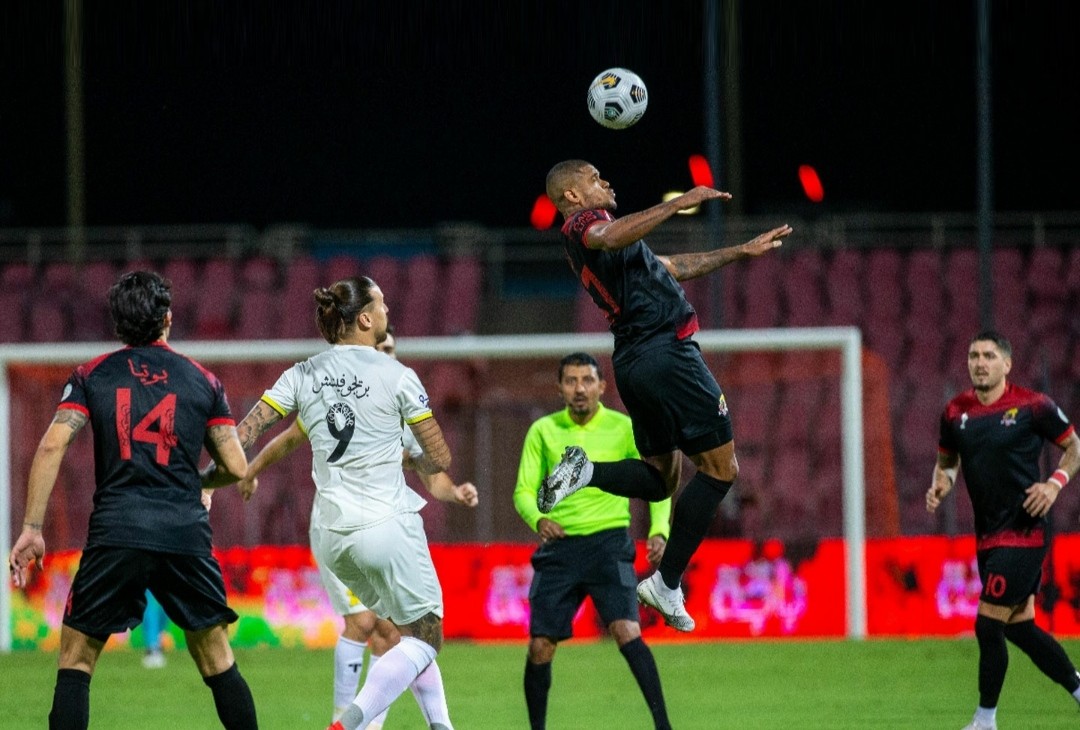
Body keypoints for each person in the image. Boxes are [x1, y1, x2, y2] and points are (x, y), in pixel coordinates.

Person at [539, 159, 792, 631]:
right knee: (721, 470)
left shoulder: (609, 243)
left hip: (635, 363)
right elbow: (607, 235)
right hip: (667, 351)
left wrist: (741, 251)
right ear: (572, 196)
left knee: (661, 481)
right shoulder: (585, 225)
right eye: (594, 178)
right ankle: (667, 583)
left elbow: (672, 267)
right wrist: (678, 203)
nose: (606, 181)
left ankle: (586, 471)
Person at [204, 275, 457, 730]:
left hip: (334, 537)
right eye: (381, 304)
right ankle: (347, 723)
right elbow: (439, 457)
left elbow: (242, 434)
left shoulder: (301, 374)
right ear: (365, 319)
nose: (387, 310)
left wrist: (206, 482)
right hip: (387, 526)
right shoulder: (399, 376)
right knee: (426, 636)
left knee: (398, 633)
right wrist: (413, 454)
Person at [8, 270, 258, 729]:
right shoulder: (203, 380)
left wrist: (32, 528)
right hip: (184, 533)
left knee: (77, 658)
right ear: (168, 317)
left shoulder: (92, 375)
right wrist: (201, 483)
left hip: (116, 531)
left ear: (118, 323)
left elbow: (51, 445)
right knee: (217, 657)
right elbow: (237, 467)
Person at [925, 331, 1080, 730]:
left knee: (987, 623)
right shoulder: (955, 411)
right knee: (1020, 628)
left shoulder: (1033, 405)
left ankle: (985, 721)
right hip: (989, 536)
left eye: (989, 356)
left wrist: (1054, 484)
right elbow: (947, 461)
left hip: (1024, 529)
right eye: (974, 355)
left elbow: (1074, 447)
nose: (980, 363)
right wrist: (941, 483)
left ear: (1007, 364)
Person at [513, 352, 673, 730]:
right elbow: (523, 491)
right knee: (540, 646)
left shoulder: (624, 428)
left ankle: (663, 726)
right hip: (560, 549)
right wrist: (539, 519)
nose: (579, 388)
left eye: (587, 380)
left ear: (602, 386)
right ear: (560, 388)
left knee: (627, 632)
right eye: (571, 381)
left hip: (609, 544)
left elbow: (658, 483)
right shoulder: (543, 431)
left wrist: (659, 529)